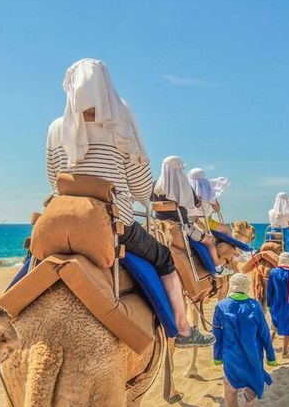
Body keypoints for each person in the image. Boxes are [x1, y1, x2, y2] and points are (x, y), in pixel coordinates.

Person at [46, 59, 212, 347]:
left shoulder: (56, 129)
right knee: (164, 259)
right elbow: (141, 188)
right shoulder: (119, 128)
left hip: (61, 224)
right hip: (113, 226)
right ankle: (184, 329)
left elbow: (53, 179)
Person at [211, 273, 276, 407]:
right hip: (253, 356)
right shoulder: (254, 306)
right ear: (246, 287)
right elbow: (264, 333)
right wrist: (271, 356)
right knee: (254, 383)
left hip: (231, 356)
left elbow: (216, 333)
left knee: (230, 388)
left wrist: (217, 355)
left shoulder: (221, 306)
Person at [154, 156, 234, 277]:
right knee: (210, 241)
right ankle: (218, 268)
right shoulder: (184, 186)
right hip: (182, 226)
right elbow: (195, 204)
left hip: (158, 225)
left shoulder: (155, 185)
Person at [266, 252, 289, 356]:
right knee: (288, 329)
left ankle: (268, 352)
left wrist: (269, 304)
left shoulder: (273, 272)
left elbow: (269, 290)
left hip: (275, 306)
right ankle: (285, 352)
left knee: (273, 328)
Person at [187, 167, 231, 232]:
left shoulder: (185, 192)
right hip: (205, 222)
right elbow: (217, 209)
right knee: (227, 230)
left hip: (188, 222)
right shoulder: (207, 192)